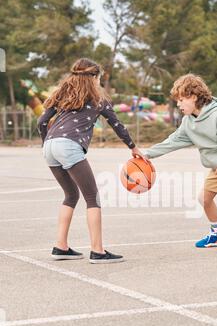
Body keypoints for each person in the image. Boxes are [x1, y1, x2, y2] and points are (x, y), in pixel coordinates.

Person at [38, 57, 146, 264]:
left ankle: (60, 246)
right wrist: (133, 148)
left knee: (70, 195)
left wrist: (47, 142)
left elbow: (41, 121)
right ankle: (97, 251)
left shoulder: (62, 94)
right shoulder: (98, 99)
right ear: (94, 77)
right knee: (92, 198)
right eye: (99, 78)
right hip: (68, 146)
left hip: (50, 147)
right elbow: (117, 125)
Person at [144, 74, 217, 261]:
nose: (179, 104)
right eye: (177, 101)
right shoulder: (188, 123)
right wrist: (147, 154)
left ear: (194, 96)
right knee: (204, 199)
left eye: (181, 99)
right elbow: (173, 141)